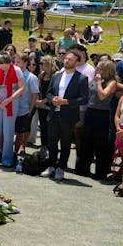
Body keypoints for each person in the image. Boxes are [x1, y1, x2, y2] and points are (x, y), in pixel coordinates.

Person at [43, 51, 89, 180]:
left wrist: (67, 102)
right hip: (54, 113)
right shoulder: (56, 76)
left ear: (76, 62)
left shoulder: (81, 78)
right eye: (66, 58)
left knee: (65, 142)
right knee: (51, 141)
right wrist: (53, 99)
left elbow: (84, 99)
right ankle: (51, 165)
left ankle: (61, 167)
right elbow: (49, 93)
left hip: (68, 115)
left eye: (70, 59)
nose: (66, 60)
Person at [76, 59, 118, 179]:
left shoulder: (112, 82)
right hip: (91, 111)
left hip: (103, 114)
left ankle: (101, 172)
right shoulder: (96, 79)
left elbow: (103, 95)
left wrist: (99, 82)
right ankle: (83, 169)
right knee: (86, 141)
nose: (96, 70)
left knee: (101, 144)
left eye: (99, 68)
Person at [0, 55, 25, 168]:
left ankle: (7, 158)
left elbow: (22, 87)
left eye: (6, 66)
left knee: (8, 131)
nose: (4, 68)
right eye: (2, 66)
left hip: (11, 102)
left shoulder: (17, 70)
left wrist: (10, 99)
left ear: (10, 63)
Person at [13, 53, 39, 158]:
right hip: (12, 108)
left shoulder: (31, 77)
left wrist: (30, 110)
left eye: (18, 62)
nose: (16, 64)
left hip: (24, 109)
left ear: (25, 63)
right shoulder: (13, 75)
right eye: (15, 62)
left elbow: (34, 95)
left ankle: (16, 153)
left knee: (20, 132)